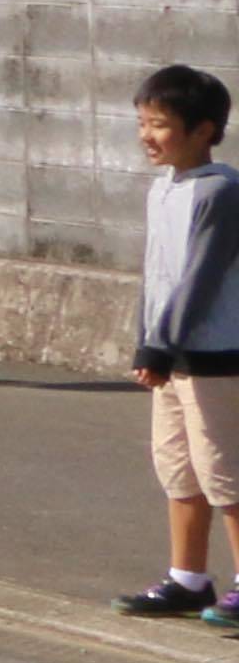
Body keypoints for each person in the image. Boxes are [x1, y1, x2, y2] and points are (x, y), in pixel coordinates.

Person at [121, 62, 239, 618]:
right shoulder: (162, 189)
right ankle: (188, 578)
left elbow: (200, 276)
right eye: (143, 122)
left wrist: (161, 342)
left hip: (216, 354)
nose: (148, 135)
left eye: (161, 124)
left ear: (204, 130)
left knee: (227, 470)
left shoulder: (221, 191)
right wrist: (146, 339)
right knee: (178, 466)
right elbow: (156, 271)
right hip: (171, 354)